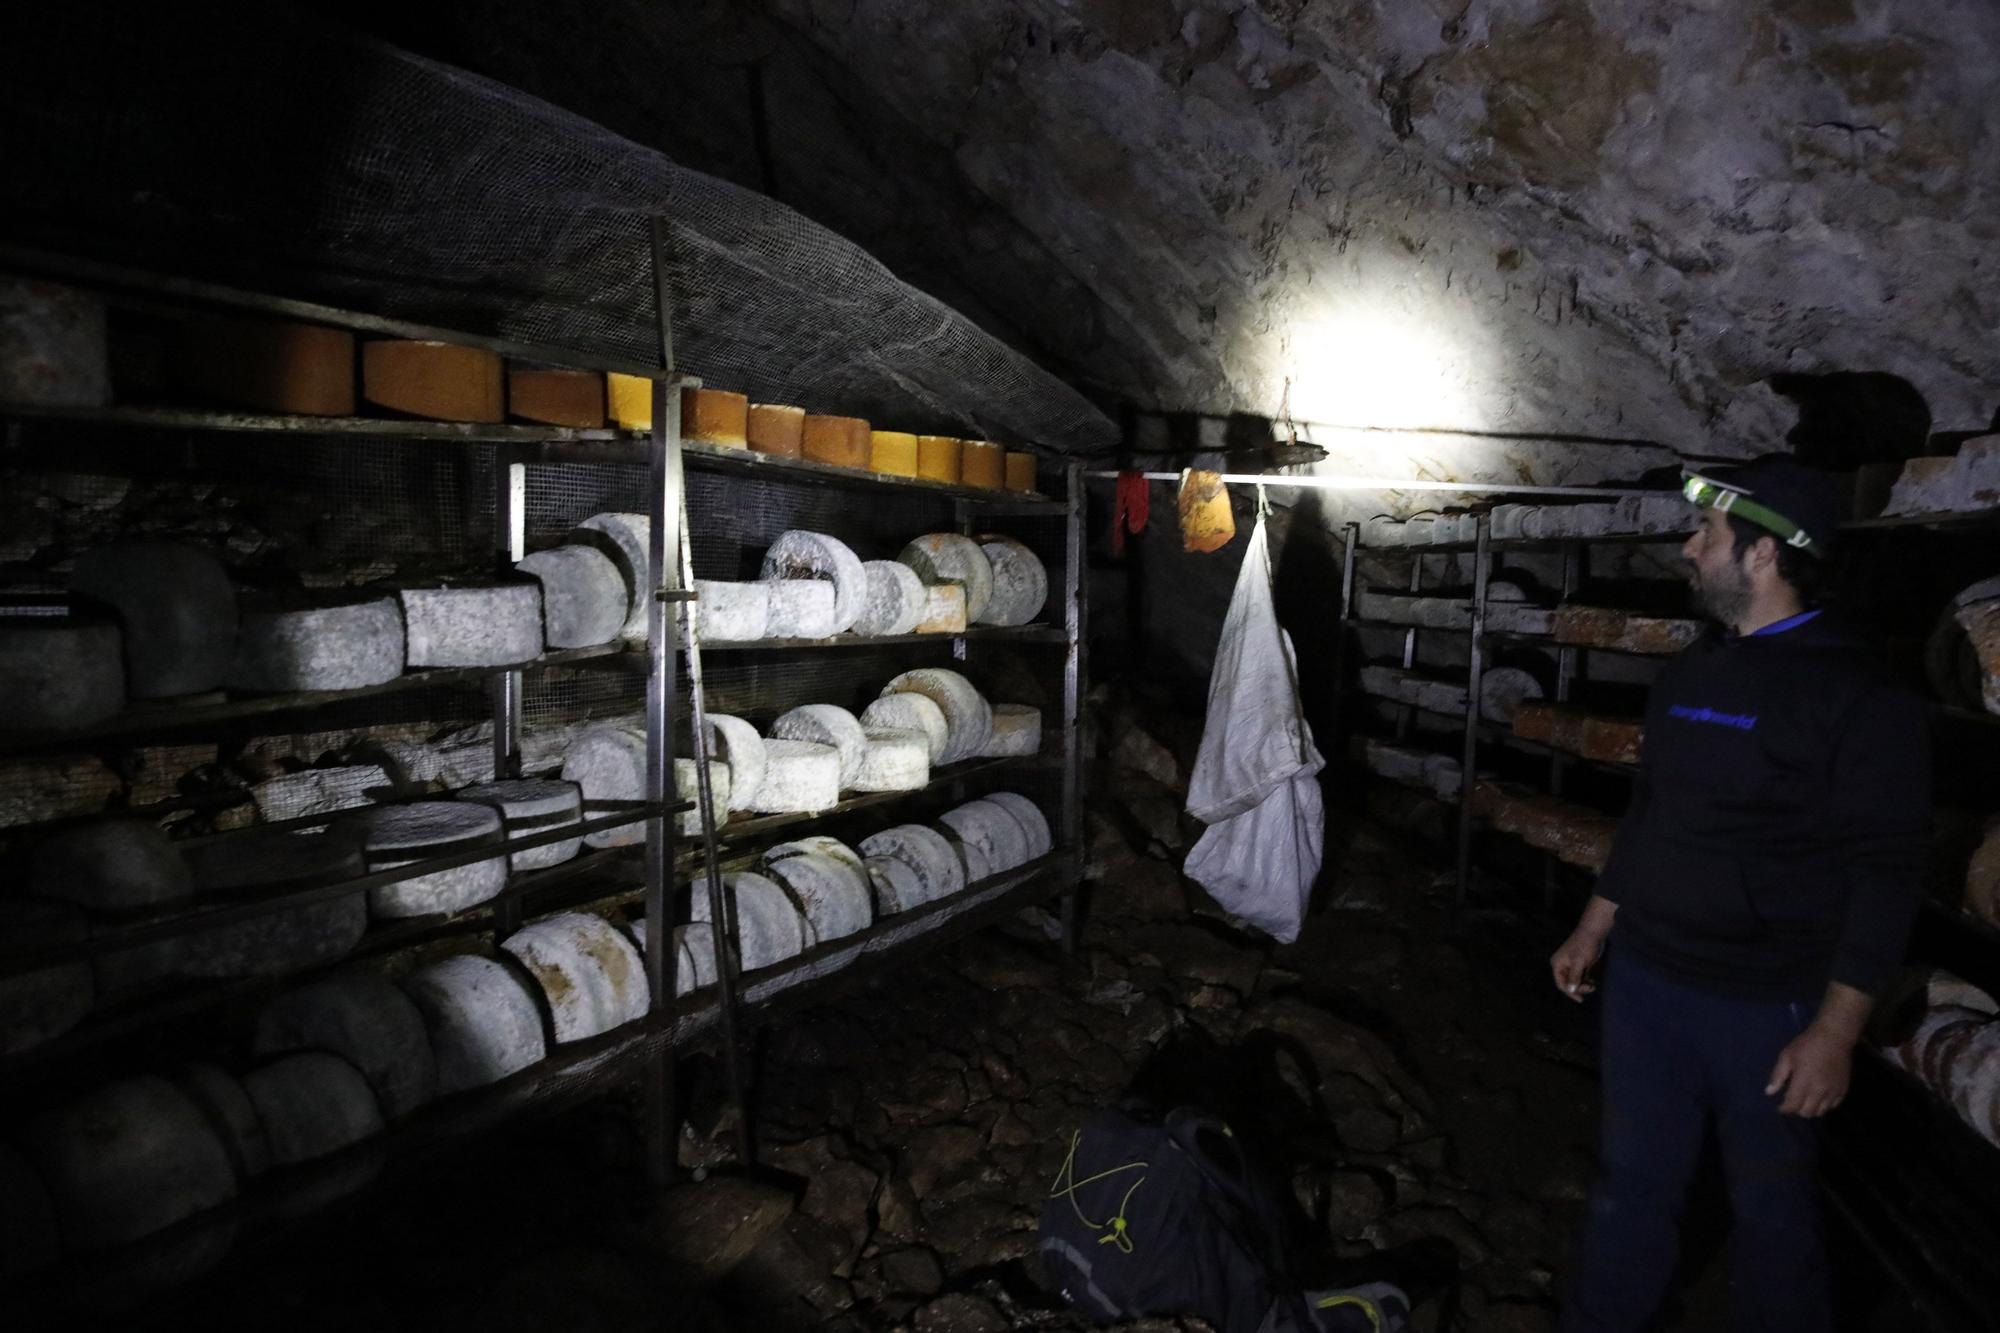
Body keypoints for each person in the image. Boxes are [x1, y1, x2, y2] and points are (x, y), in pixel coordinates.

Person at [1549, 455, 1931, 1332]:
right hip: (1648, 985)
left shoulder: (1861, 697)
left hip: (1766, 1004)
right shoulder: (1691, 675)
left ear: (1762, 555)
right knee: (1629, 1189)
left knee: (1772, 1213)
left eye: (1707, 535)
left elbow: (1886, 867)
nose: (1689, 549)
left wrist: (1836, 1028)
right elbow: (1651, 814)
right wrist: (1593, 926)